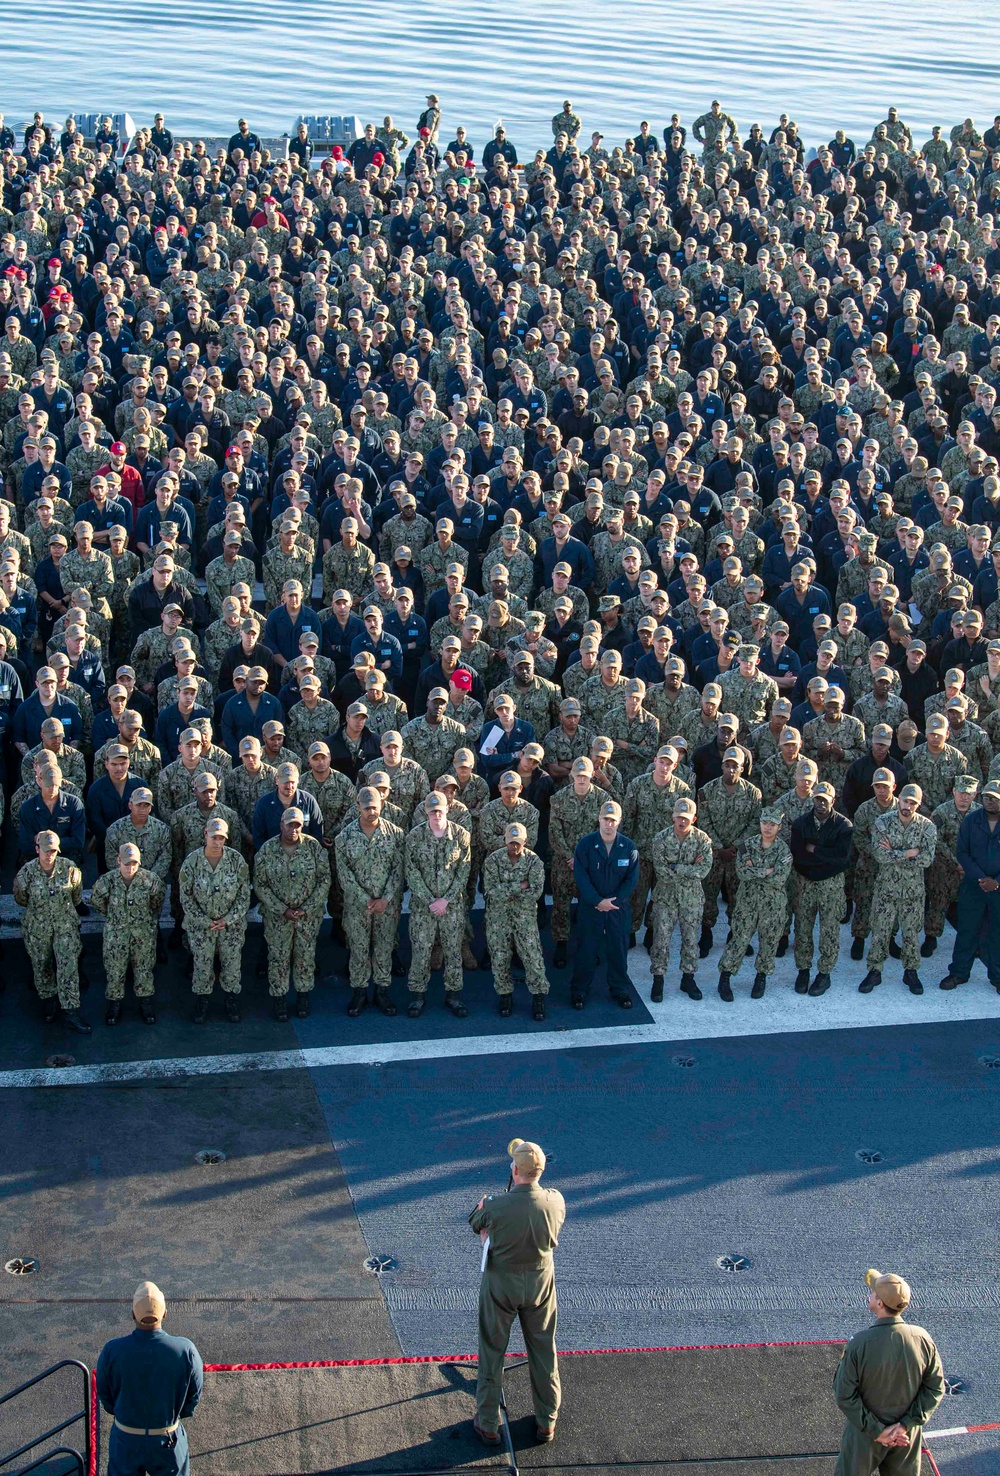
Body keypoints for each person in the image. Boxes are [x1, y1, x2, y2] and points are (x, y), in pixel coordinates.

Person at [469, 1139, 565, 1447]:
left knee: (492, 1350)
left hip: (501, 1285)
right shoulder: (555, 1200)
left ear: (514, 1170)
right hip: (539, 1284)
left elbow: (476, 1222)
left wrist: (487, 1217)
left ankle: (487, 1423)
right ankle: (547, 1421)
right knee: (543, 1351)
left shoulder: (496, 1204)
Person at [833, 1269, 944, 1476]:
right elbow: (935, 1388)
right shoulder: (923, 1339)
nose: (870, 1294)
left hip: (863, 1438)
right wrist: (904, 1425)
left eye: (873, 1292)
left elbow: (844, 1394)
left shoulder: (859, 1344)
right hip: (906, 1437)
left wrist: (878, 1431)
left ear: (880, 1303)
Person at [96, 1280, 204, 1476]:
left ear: (132, 1314)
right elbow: (193, 1395)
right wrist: (181, 1413)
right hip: (167, 1440)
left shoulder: (112, 1350)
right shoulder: (185, 1350)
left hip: (125, 1440)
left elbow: (105, 1393)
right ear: (164, 1313)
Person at [335, 786, 406, 1017]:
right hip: (358, 907)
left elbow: (399, 869)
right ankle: (359, 991)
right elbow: (344, 875)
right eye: (366, 808)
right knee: (358, 949)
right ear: (358, 807)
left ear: (381, 806)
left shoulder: (395, 834)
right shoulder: (344, 837)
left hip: (388, 906)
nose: (371, 812)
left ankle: (382, 991)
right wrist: (367, 900)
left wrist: (385, 899)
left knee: (384, 948)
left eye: (375, 807)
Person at [860, 784, 937, 997]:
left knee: (911, 933)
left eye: (913, 803)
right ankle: (875, 970)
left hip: (912, 892)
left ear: (918, 804)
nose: (908, 806)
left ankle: (910, 971)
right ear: (899, 799)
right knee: (880, 931)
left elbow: (927, 859)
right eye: (905, 801)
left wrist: (894, 853)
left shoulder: (927, 827)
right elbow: (879, 855)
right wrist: (908, 853)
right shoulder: (883, 822)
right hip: (886, 889)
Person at [253, 807, 329, 1020]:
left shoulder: (313, 847)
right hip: (278, 918)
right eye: (290, 824)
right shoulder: (267, 850)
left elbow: (324, 880)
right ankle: (279, 998)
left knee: (305, 957)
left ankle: (303, 996)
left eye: (297, 825)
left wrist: (306, 907)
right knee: (278, 957)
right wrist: (282, 909)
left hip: (308, 916)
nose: (294, 829)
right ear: (281, 825)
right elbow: (259, 883)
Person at [404, 789, 472, 1016]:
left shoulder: (461, 836)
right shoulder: (414, 836)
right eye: (432, 811)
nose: (436, 815)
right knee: (421, 951)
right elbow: (411, 872)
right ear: (426, 811)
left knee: (453, 951)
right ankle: (417, 996)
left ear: (447, 810)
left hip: (451, 907)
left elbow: (464, 871)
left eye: (440, 810)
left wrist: (446, 899)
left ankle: (454, 995)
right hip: (424, 907)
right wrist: (431, 900)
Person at [12, 829, 87, 1033]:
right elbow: (21, 898)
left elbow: (76, 896)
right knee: (41, 964)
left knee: (68, 966)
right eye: (45, 850)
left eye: (53, 850)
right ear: (37, 849)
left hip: (65, 927)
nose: (49, 854)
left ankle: (70, 1010)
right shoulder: (26, 873)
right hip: (38, 927)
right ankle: (49, 1001)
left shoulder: (70, 869)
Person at [178, 815, 250, 1023]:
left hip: (231, 927)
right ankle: (202, 1000)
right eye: (213, 837)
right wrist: (204, 921)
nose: (217, 842)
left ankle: (231, 999)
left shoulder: (236, 861)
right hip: (202, 927)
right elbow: (186, 897)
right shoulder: (191, 862)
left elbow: (244, 895)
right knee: (202, 964)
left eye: (221, 838)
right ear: (205, 835)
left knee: (232, 963)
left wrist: (228, 919)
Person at [717, 806, 793, 1000]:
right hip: (747, 902)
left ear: (779, 827)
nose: (768, 827)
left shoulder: (783, 850)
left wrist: (755, 870)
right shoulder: (747, 845)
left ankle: (761, 978)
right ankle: (725, 978)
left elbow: (779, 878)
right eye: (765, 823)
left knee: (769, 941)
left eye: (772, 824)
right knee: (739, 939)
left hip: (772, 904)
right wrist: (766, 870)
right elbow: (741, 872)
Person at [570, 799, 639, 1008]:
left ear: (619, 822)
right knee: (587, 950)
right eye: (606, 819)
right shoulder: (586, 844)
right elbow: (581, 876)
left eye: (613, 820)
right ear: (599, 819)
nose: (609, 824)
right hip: (591, 908)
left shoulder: (628, 847)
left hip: (618, 909)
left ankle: (620, 989)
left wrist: (612, 902)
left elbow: (632, 879)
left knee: (618, 950)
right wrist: (598, 901)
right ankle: (579, 990)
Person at [90, 842, 165, 1026]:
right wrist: (115, 919)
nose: (130, 867)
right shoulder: (106, 882)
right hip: (116, 934)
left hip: (143, 933)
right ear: (118, 861)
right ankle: (115, 1003)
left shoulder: (151, 880)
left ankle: (145, 1001)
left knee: (144, 968)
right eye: (126, 863)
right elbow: (98, 903)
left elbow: (157, 903)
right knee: (115, 969)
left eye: (134, 863)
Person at [790, 782, 853, 996]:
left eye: (825, 799)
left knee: (829, 930)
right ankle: (803, 970)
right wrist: (825, 854)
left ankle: (824, 973)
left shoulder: (844, 826)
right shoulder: (800, 824)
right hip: (805, 882)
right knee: (802, 928)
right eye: (817, 798)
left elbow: (841, 859)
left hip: (831, 884)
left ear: (833, 801)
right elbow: (798, 856)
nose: (821, 803)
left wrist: (815, 849)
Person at [482, 821, 549, 1019]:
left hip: (524, 917)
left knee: (532, 956)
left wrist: (508, 889)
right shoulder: (493, 861)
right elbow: (491, 892)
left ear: (526, 841)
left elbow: (536, 891)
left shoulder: (534, 862)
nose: (514, 846)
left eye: (518, 842)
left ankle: (538, 996)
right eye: (511, 842)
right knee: (499, 956)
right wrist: (520, 886)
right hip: (498, 917)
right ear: (505, 840)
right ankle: (505, 995)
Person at [648, 796, 712, 1001]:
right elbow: (661, 872)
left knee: (691, 940)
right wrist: (689, 868)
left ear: (694, 819)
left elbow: (703, 870)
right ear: (672, 817)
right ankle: (658, 979)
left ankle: (688, 978)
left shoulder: (703, 840)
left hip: (691, 900)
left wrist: (676, 867)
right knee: (660, 940)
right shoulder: (660, 839)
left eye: (686, 818)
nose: (682, 821)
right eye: (678, 817)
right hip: (665, 898)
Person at [940, 777, 1000, 991]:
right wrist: (981, 879)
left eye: (994, 798)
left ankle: (997, 977)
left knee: (997, 934)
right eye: (986, 797)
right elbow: (962, 852)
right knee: (967, 931)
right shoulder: (971, 820)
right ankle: (959, 973)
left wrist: (996, 882)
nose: (989, 801)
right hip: (973, 886)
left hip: (998, 890)